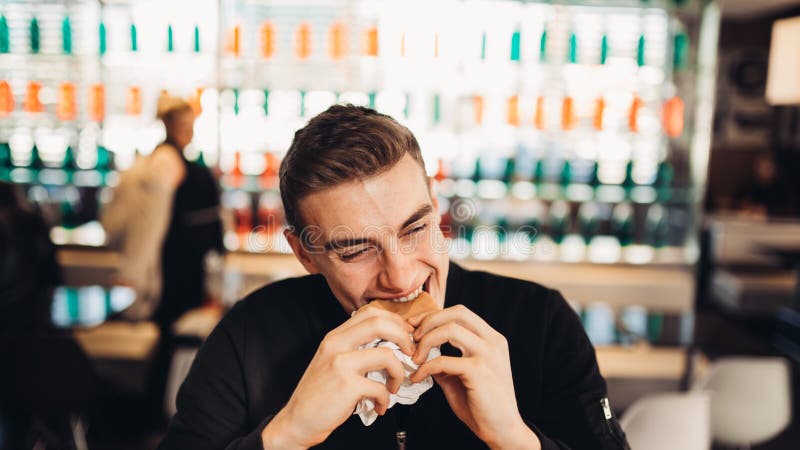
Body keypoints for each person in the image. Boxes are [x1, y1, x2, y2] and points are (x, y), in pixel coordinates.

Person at [159, 105, 630, 449]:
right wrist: (286, 434)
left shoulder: (540, 321)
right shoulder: (250, 336)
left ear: (435, 204)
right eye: (357, 250)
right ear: (306, 253)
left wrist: (514, 437)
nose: (401, 276)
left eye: (415, 229)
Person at [101, 94, 224, 329]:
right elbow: (151, 228)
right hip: (176, 270)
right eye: (186, 125)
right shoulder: (172, 167)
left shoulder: (146, 165)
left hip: (170, 267)